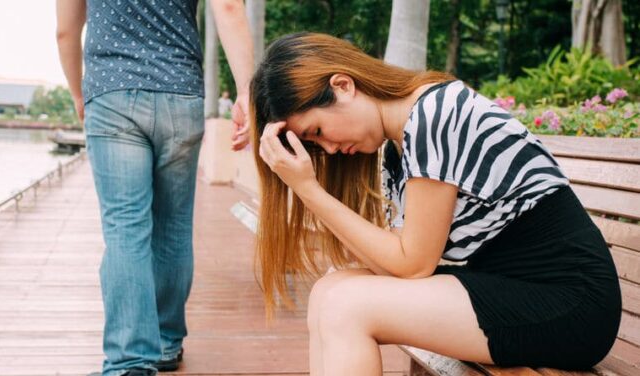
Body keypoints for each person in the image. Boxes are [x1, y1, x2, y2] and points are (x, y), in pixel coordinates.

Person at [250, 32, 621, 375]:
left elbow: (412, 265)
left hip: (569, 303)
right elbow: (398, 263)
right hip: (512, 288)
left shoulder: (433, 115)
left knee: (347, 305)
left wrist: (308, 190)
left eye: (317, 132)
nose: (329, 149)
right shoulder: (401, 145)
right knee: (330, 290)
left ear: (343, 86)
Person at [55, 1, 252, 375]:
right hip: (180, 91)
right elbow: (228, 6)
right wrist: (245, 90)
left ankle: (130, 360)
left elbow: (66, 30)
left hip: (111, 92)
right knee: (173, 228)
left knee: (125, 230)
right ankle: (165, 343)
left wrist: (79, 94)